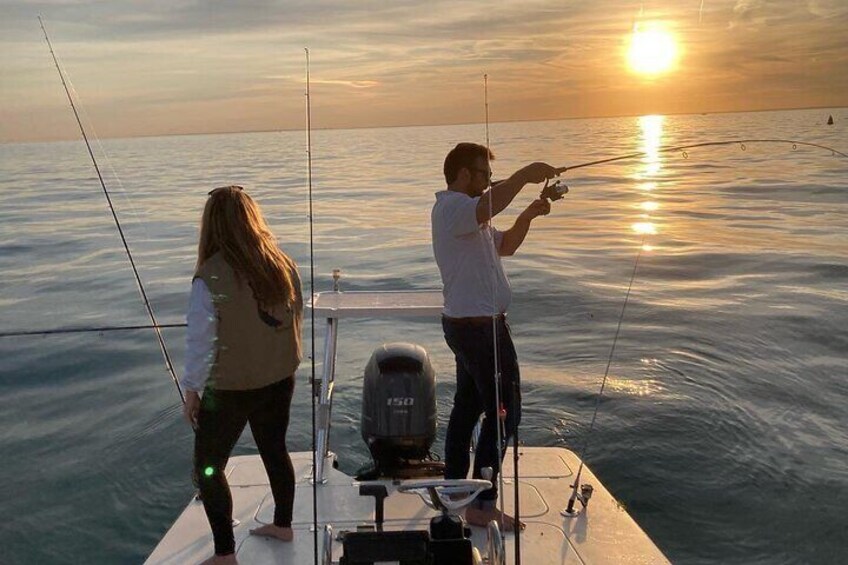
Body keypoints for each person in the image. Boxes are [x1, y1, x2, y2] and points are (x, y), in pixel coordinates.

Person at [431, 143, 561, 530]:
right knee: (507, 412)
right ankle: (482, 505)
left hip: (475, 327)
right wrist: (523, 175)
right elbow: (489, 205)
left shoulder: (473, 219)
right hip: (477, 330)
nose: (489, 181)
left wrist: (530, 212)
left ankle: (456, 489)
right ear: (464, 175)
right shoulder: (452, 208)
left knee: (469, 408)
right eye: (484, 175)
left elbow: (508, 246)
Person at [181, 185, 303, 565]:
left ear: (212, 226)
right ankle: (283, 524)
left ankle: (224, 554)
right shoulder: (282, 263)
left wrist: (192, 391)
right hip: (279, 379)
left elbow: (201, 343)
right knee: (274, 450)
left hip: (230, 388)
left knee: (208, 468)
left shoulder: (209, 277)